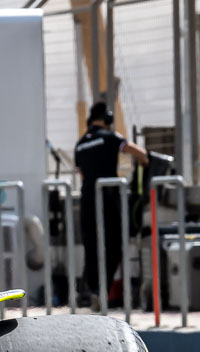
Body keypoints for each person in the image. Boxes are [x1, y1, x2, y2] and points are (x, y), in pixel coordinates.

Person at [75, 101, 147, 308]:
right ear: (106, 119)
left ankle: (90, 290)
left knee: (91, 246)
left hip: (88, 198)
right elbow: (139, 153)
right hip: (108, 197)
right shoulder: (110, 137)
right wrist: (143, 167)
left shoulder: (80, 144)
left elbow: (81, 173)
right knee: (114, 245)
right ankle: (101, 290)